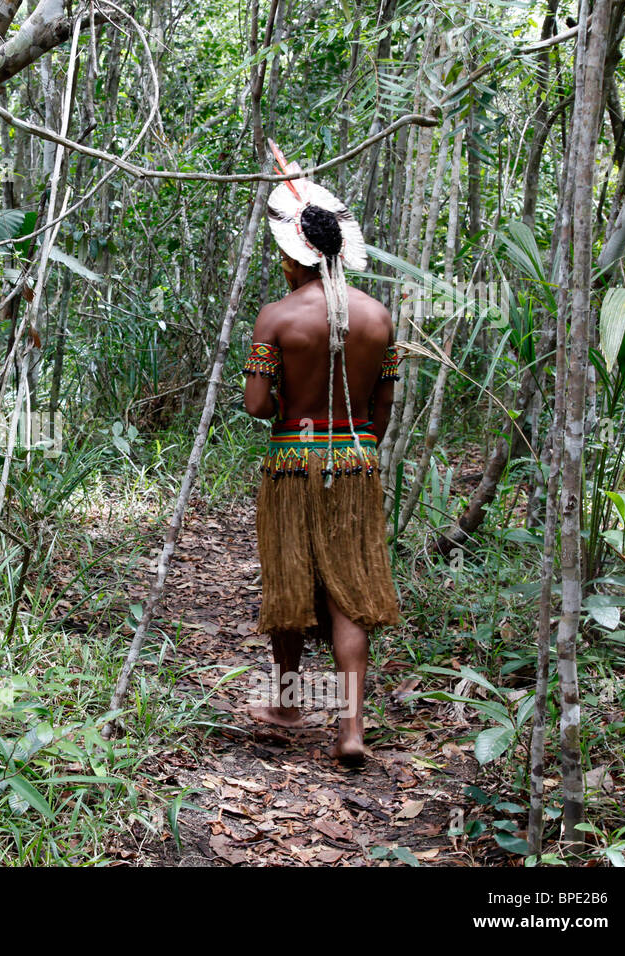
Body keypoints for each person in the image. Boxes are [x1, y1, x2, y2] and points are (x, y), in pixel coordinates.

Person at [241, 142, 401, 767]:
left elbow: (257, 406)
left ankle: (285, 702)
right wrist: (354, 447)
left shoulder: (277, 317)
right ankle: (351, 731)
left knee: (290, 579)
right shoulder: (379, 316)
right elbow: (381, 412)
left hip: (291, 461)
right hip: (357, 461)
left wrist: (290, 403)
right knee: (349, 591)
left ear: (292, 255)